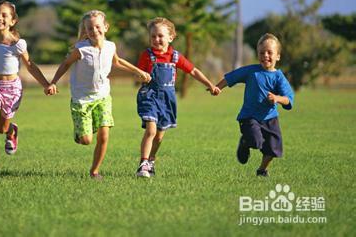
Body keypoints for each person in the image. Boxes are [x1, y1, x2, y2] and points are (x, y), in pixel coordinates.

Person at [47, 10, 151, 180]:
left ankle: (94, 171)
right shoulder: (81, 49)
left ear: (106, 27)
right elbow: (66, 64)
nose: (94, 30)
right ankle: (80, 134)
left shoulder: (111, 46)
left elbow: (117, 62)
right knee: (86, 140)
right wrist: (53, 82)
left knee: (104, 135)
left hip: (103, 96)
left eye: (97, 26)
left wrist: (138, 71)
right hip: (81, 99)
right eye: (90, 28)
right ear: (85, 31)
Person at [0, 0, 52, 177]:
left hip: (12, 89)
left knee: (1, 129)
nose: (0, 18)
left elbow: (30, 66)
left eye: (4, 15)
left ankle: (12, 130)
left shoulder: (18, 43)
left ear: (13, 21)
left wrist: (46, 84)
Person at [135, 17, 220, 178]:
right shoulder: (146, 55)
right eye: (153, 36)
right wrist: (142, 76)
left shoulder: (175, 56)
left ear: (170, 37)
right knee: (151, 130)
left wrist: (209, 84)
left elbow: (193, 71)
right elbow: (138, 73)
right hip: (150, 97)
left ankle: (151, 160)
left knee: (159, 135)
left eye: (160, 36)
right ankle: (143, 164)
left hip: (167, 100)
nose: (156, 39)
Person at [215, 33, 294, 177]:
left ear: (278, 56)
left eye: (270, 52)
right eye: (261, 52)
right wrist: (218, 87)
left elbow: (289, 99)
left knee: (273, 150)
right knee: (256, 141)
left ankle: (262, 170)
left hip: (270, 118)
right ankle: (245, 142)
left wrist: (277, 98)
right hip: (249, 116)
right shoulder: (252, 71)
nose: (265, 56)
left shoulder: (279, 77)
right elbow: (232, 77)